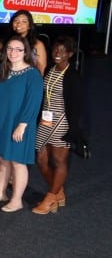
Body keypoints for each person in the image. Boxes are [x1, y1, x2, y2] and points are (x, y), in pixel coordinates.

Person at [0, 35, 43, 213]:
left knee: (17, 161)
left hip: (19, 122)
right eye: (10, 48)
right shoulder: (2, 69)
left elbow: (33, 102)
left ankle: (16, 199)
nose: (13, 52)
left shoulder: (32, 74)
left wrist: (23, 125)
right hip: (1, 119)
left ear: (25, 52)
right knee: (2, 157)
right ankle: (1, 192)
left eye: (18, 49)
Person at [33, 36, 84, 215]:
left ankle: (50, 197)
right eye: (56, 49)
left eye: (63, 51)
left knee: (58, 159)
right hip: (46, 120)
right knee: (41, 158)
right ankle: (57, 192)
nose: (58, 53)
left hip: (62, 121)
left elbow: (76, 105)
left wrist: (74, 129)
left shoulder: (73, 75)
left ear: (70, 54)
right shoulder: (50, 69)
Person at [8, 10, 49, 74]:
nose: (19, 24)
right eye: (16, 20)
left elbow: (41, 69)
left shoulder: (37, 44)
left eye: (24, 22)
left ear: (29, 26)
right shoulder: (5, 42)